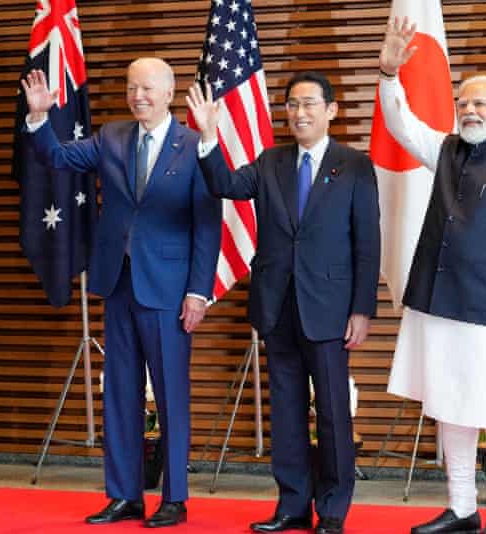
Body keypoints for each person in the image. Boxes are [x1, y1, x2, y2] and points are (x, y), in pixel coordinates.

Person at [21, 57, 222, 528]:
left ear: (170, 93)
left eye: (148, 88)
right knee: (119, 394)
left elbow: (207, 227)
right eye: (133, 88)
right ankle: (124, 495)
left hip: (170, 291)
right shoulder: (111, 137)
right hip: (118, 284)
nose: (139, 96)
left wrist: (199, 292)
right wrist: (38, 118)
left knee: (171, 395)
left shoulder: (196, 146)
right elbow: (57, 157)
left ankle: (174, 497)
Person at [378, 17, 486, 534]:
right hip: (439, 302)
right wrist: (389, 74)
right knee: (449, 405)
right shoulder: (445, 149)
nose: (470, 111)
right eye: (464, 104)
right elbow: (400, 124)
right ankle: (461, 508)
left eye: (481, 104)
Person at [187, 71, 380, 534]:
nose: (300, 112)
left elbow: (367, 243)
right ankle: (292, 505)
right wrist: (209, 137)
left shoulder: (354, 165)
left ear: (331, 110)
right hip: (277, 306)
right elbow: (225, 186)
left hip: (331, 309)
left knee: (333, 412)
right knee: (287, 411)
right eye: (292, 104)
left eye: (310, 103)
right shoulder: (270, 161)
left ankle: (332, 510)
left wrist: (362, 309)